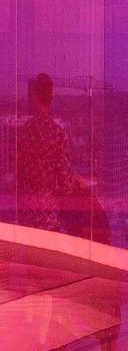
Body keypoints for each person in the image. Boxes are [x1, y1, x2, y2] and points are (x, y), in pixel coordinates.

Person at [17, 73, 76, 232]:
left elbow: (18, 176)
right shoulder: (58, 134)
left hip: (27, 217)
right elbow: (66, 184)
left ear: (36, 97)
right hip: (48, 217)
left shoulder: (24, 133)